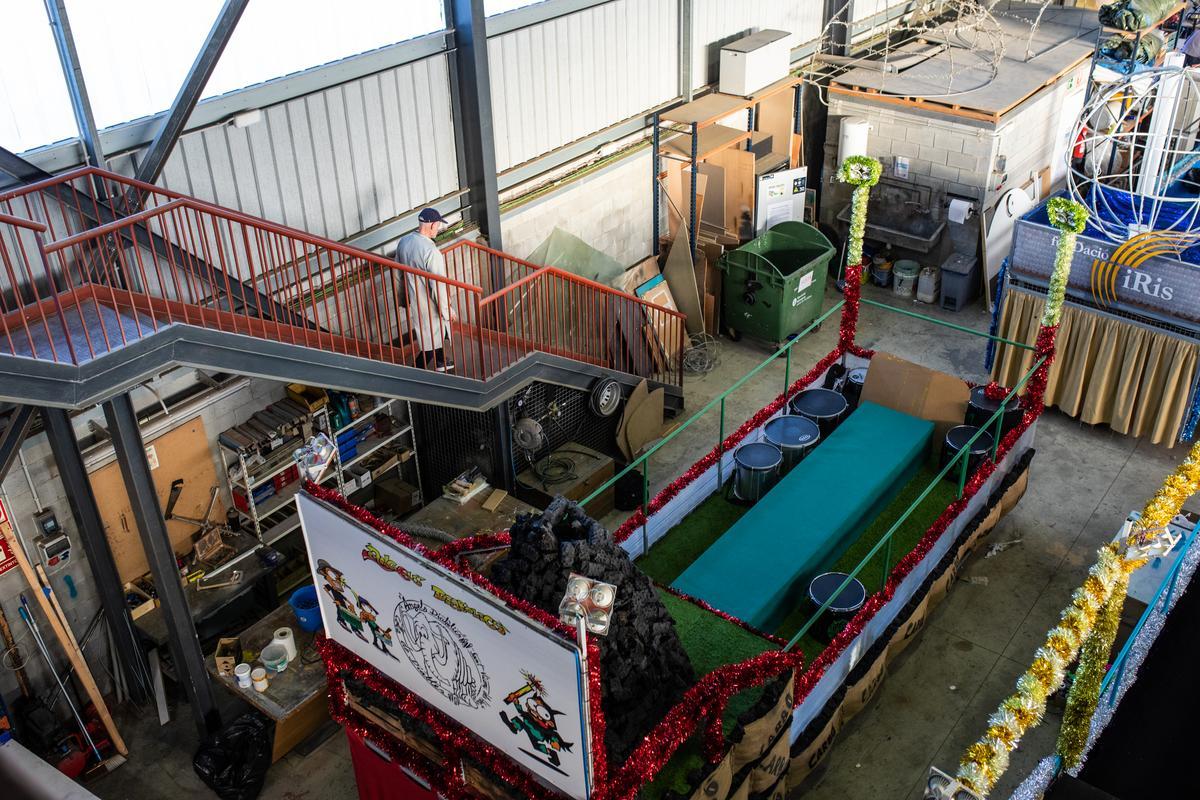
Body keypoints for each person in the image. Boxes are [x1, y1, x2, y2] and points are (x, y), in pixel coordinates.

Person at [394, 208, 457, 371]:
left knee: (430, 335)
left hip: (415, 300)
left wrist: (402, 299)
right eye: (438, 225)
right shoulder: (431, 251)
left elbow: (398, 275)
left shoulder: (404, 242)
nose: (439, 228)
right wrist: (446, 309)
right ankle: (415, 372)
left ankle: (441, 360)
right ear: (432, 224)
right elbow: (438, 285)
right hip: (430, 303)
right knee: (435, 334)